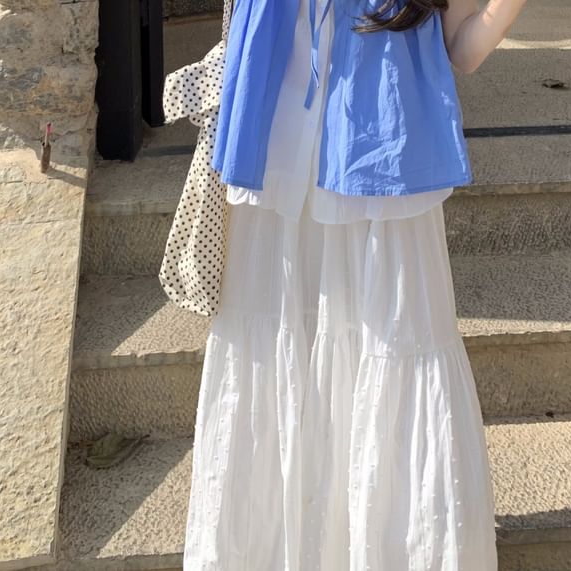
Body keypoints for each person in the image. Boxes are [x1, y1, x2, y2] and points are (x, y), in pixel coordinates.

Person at [181, 0, 528, 569]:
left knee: (392, 343)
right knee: (275, 353)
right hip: (275, 156)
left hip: (383, 160)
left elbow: (461, 49)